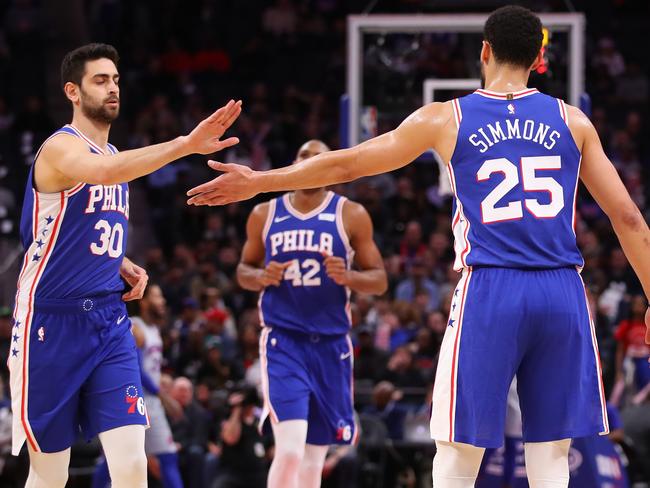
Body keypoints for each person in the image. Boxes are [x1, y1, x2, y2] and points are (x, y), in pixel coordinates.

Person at [187, 6, 650, 488]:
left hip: (492, 288)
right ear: (540, 59)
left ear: (484, 51)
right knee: (552, 455)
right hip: (562, 292)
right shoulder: (572, 121)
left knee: (458, 452)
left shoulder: (445, 117)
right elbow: (629, 218)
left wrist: (261, 180)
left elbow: (351, 165)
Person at [10, 43, 240, 488]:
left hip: (109, 322)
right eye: (100, 80)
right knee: (50, 476)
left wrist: (118, 260)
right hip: (49, 323)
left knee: (134, 467)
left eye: (115, 79)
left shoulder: (114, 152)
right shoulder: (60, 148)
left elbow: (77, 226)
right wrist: (186, 144)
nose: (112, 88)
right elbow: (104, 174)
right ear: (72, 92)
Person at [235, 139, 388, 488]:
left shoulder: (350, 214)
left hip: (331, 347)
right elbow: (244, 269)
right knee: (289, 451)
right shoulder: (265, 213)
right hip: (284, 342)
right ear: (294, 162)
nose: (311, 162)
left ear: (332, 166)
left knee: (313, 461)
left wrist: (348, 276)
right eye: (304, 155)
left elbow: (379, 280)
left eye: (320, 158)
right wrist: (261, 276)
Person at [92, 283, 184, 488]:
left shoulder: (153, 329)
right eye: (157, 297)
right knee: (119, 460)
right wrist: (164, 396)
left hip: (147, 399)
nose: (163, 302)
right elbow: (137, 370)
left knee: (126, 458)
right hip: (136, 399)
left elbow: (150, 368)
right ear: (143, 301)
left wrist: (162, 382)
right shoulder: (136, 328)